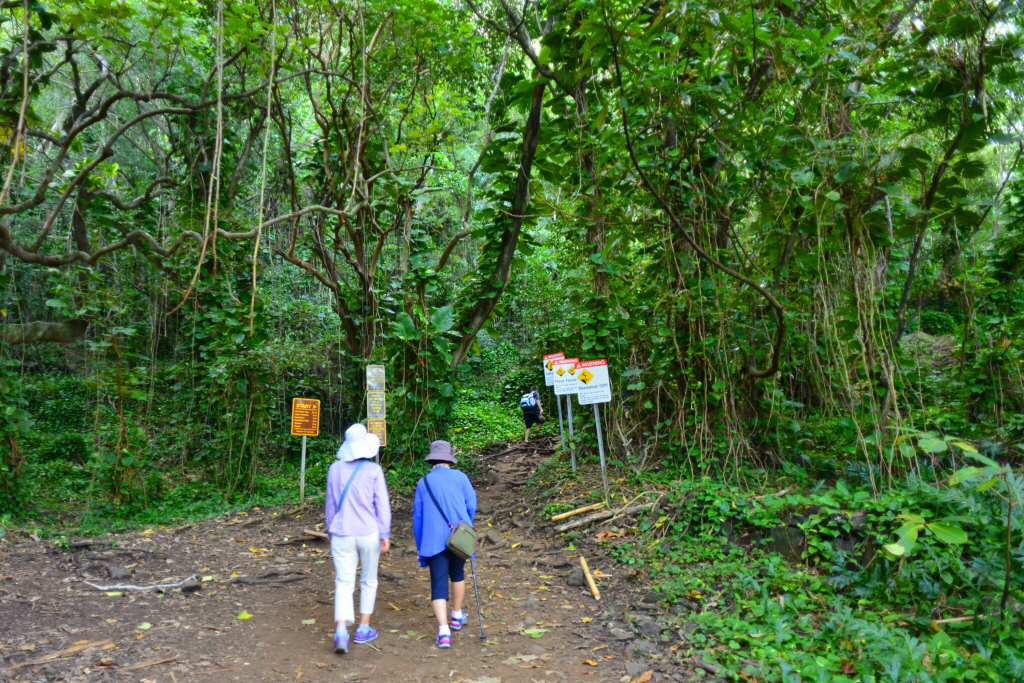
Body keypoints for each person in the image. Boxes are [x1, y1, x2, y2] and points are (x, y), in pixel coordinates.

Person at [325, 423, 392, 654]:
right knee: (368, 580)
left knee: (343, 582)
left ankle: (341, 632)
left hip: (341, 532)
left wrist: (330, 530)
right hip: (368, 532)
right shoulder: (374, 470)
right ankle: (363, 628)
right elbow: (382, 504)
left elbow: (331, 504)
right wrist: (385, 534)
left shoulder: (335, 469)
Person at [412, 441, 477, 649]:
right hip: (458, 537)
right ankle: (457, 616)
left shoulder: (424, 482)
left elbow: (418, 516)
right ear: (450, 458)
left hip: (433, 540)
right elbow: (471, 505)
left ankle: (443, 631)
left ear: (432, 459)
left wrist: (420, 543)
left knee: (438, 584)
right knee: (458, 574)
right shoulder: (461, 477)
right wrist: (467, 527)